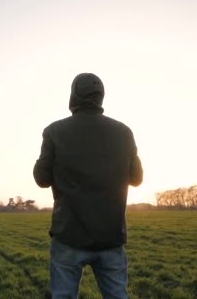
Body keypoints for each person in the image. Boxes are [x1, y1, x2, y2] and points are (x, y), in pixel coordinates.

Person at [33, 73, 143, 299]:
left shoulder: (54, 131)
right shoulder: (124, 132)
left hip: (68, 236)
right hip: (111, 237)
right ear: (101, 97)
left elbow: (41, 179)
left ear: (73, 95)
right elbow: (137, 178)